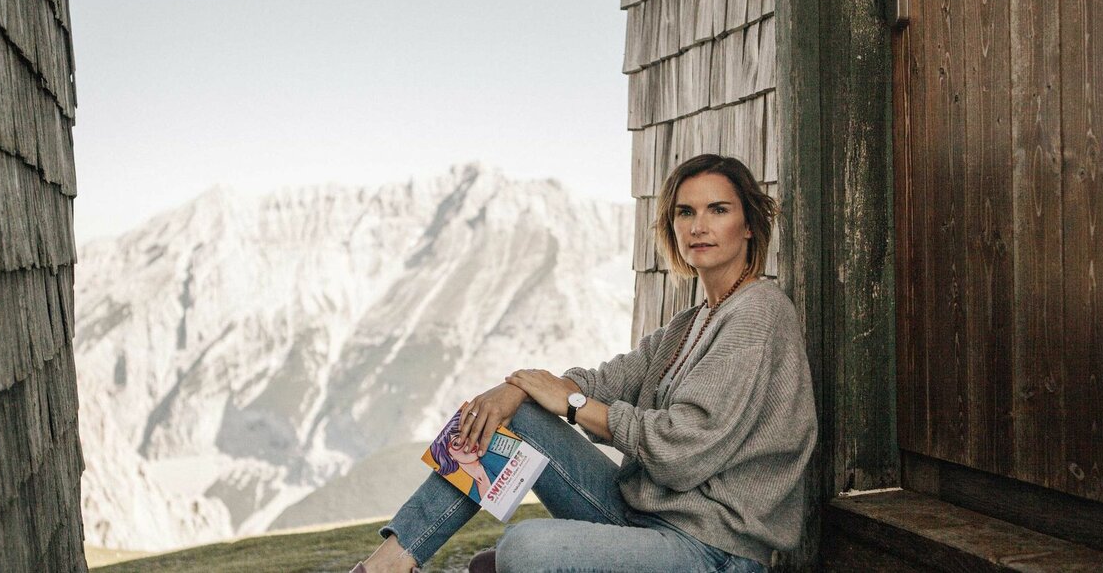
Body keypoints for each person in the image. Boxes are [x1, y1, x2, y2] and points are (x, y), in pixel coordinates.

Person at [351, 154, 818, 573]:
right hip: (646, 516)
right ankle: (389, 563)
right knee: (512, 417)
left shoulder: (759, 312)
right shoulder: (688, 324)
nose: (699, 226)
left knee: (523, 549)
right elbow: (606, 380)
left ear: (750, 224)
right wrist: (519, 389)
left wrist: (572, 403)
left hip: (712, 551)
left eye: (719, 210)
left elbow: (682, 452)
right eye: (685, 212)